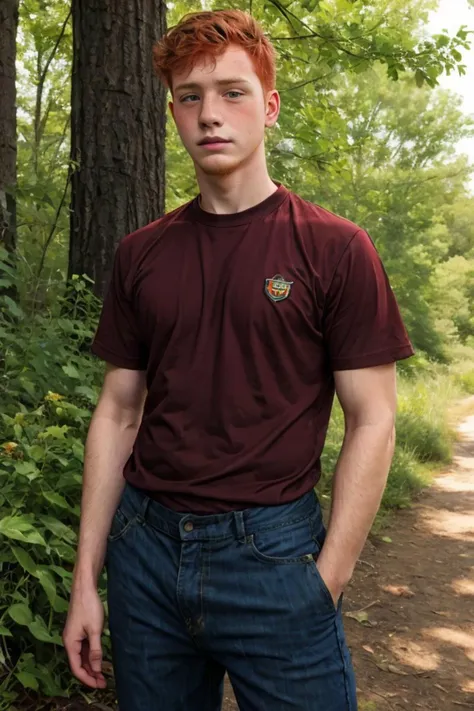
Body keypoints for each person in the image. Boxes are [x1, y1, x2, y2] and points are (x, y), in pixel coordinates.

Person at [63, 9, 414, 711]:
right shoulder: (141, 253)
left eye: (232, 92)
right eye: (190, 97)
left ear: (270, 106)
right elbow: (119, 410)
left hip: (274, 555)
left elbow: (373, 417)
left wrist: (329, 579)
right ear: (171, 114)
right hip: (147, 551)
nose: (209, 114)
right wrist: (86, 579)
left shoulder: (334, 247)